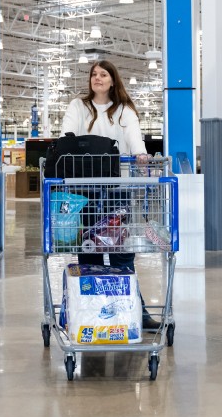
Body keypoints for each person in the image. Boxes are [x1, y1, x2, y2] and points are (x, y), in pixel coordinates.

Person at [59, 60, 159, 330]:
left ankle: (135, 310)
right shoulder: (78, 107)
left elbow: (135, 138)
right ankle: (91, 312)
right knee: (88, 252)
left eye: (103, 74)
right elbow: (66, 136)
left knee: (121, 253)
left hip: (117, 191)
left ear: (113, 80)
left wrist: (140, 154)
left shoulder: (124, 110)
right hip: (84, 191)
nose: (98, 78)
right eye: (94, 74)